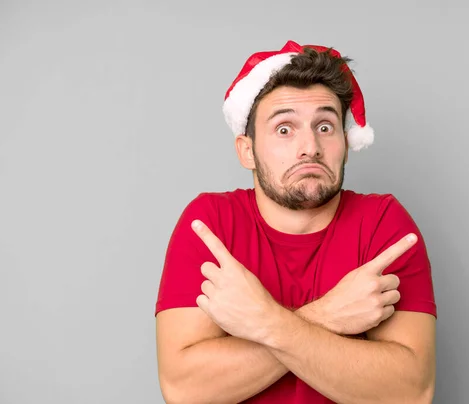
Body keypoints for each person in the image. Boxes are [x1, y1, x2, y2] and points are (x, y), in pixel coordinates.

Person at [155, 40, 437, 404]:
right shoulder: (211, 224)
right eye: (284, 129)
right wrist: (329, 314)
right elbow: (185, 390)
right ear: (247, 150)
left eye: (325, 126)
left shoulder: (383, 224)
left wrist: (264, 322)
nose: (310, 147)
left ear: (346, 143)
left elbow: (411, 393)